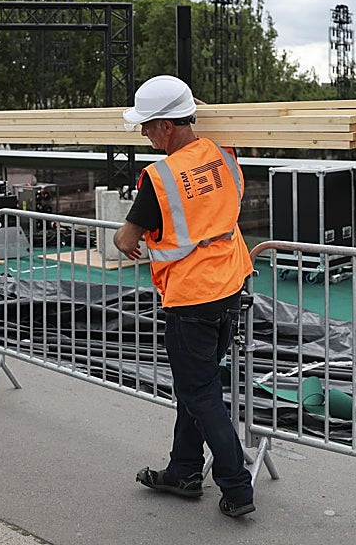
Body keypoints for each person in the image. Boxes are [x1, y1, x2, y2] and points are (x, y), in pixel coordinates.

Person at [113, 75, 256, 519]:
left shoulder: (159, 178)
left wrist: (128, 240)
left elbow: (124, 239)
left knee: (201, 393)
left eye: (147, 125)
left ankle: (236, 486)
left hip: (191, 297)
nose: (143, 133)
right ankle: (184, 471)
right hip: (231, 285)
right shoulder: (223, 156)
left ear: (166, 126)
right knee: (196, 388)